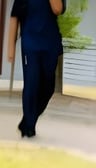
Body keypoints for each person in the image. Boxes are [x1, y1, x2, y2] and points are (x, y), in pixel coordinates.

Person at [6, 0, 65, 138]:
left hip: (51, 44)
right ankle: (29, 127)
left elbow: (57, 9)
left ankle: (27, 121)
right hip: (30, 45)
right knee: (31, 85)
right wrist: (11, 48)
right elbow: (14, 18)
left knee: (48, 88)